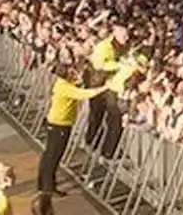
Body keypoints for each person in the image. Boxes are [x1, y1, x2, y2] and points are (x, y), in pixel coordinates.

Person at [39, 57, 119, 196]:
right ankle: (48, 187)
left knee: (49, 155)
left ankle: (44, 184)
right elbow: (84, 94)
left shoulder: (64, 83)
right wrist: (105, 87)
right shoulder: (64, 87)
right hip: (59, 125)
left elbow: (79, 83)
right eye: (71, 71)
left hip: (57, 123)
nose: (74, 72)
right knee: (53, 156)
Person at [85, 24, 128, 158]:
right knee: (96, 115)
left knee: (114, 118)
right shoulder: (103, 47)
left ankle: (109, 150)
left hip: (111, 87)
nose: (126, 38)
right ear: (115, 34)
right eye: (124, 36)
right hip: (98, 84)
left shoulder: (123, 46)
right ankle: (91, 141)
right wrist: (119, 65)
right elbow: (99, 65)